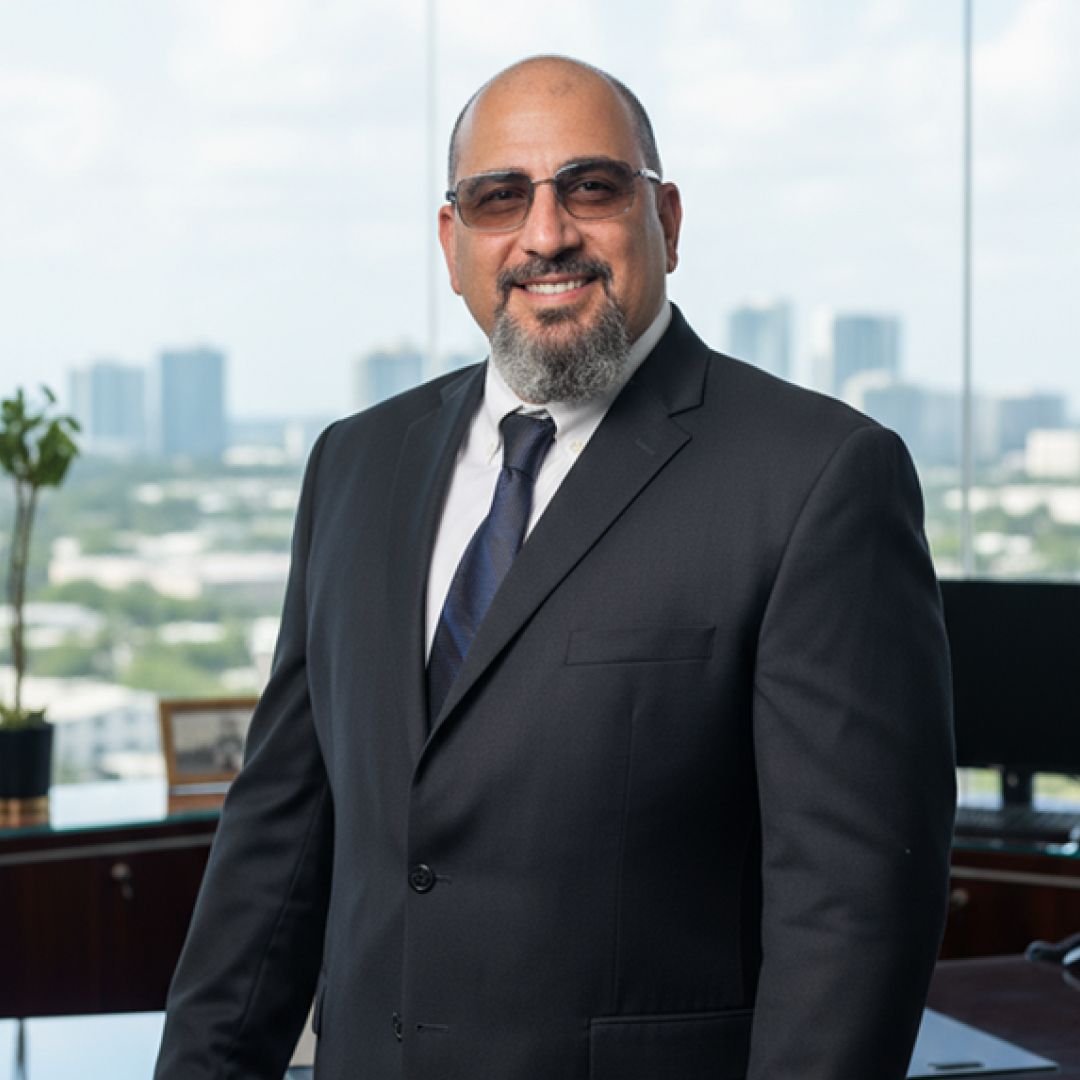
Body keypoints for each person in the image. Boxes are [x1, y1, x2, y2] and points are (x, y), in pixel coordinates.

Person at [155, 55, 956, 1080]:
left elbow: (853, 917)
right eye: (500, 198)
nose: (545, 234)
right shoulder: (354, 465)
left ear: (665, 217)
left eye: (591, 186)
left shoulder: (818, 478)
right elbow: (275, 849)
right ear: (453, 244)